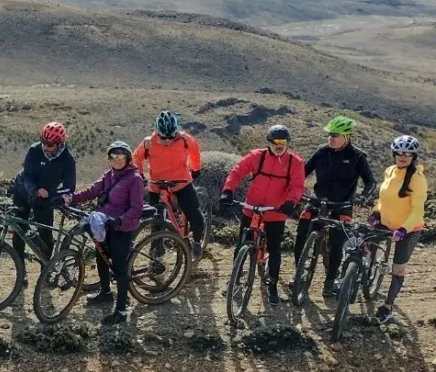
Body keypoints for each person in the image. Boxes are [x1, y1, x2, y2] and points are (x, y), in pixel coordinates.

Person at [220, 125, 305, 305]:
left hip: (276, 212)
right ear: (269, 142)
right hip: (252, 207)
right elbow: (237, 171)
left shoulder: (294, 162)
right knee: (241, 244)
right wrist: (228, 190)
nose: (279, 145)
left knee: (274, 249)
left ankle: (272, 286)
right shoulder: (257, 156)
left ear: (288, 143)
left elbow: (297, 187)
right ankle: (234, 281)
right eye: (275, 142)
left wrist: (290, 203)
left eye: (283, 142)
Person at [293, 115, 375, 297]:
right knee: (301, 234)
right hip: (317, 200)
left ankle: (329, 282)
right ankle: (298, 273)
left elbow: (370, 182)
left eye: (335, 135)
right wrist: (294, 189)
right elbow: (303, 173)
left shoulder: (357, 157)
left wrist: (363, 196)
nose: (331, 137)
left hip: (342, 205)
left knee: (337, 244)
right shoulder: (321, 151)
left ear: (347, 137)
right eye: (329, 134)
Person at [69, 140, 144, 325]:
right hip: (104, 223)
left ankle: (121, 310)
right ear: (109, 159)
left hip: (121, 227)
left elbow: (137, 209)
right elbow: (91, 191)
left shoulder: (135, 179)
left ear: (128, 158)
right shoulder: (108, 176)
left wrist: (120, 220)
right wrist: (70, 199)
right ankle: (105, 293)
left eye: (121, 156)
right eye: (113, 156)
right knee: (101, 257)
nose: (117, 159)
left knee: (119, 268)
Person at [132, 111, 206, 260]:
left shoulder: (184, 139)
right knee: (156, 222)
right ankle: (156, 257)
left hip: (181, 183)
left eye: (171, 136)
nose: (167, 140)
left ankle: (197, 242)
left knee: (195, 215)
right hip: (157, 186)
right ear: (156, 132)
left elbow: (194, 151)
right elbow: (136, 157)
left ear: (176, 132)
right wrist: (139, 175)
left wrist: (196, 169)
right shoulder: (148, 142)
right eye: (163, 136)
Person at [371, 135, 427, 325]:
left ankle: (388, 306)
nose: (403, 157)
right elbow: (384, 199)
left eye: (408, 154)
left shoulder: (417, 180)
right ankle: (361, 273)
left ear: (413, 157)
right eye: (400, 154)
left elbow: (417, 209)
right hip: (386, 222)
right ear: (394, 154)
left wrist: (404, 228)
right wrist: (376, 212)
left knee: (398, 267)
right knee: (362, 240)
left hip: (409, 228)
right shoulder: (389, 171)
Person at [12, 122, 76, 272]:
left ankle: (45, 271)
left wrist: (50, 194)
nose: (45, 147)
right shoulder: (34, 150)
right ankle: (20, 271)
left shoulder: (67, 160)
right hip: (23, 192)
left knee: (46, 235)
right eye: (43, 142)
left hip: (45, 200)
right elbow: (27, 175)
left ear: (59, 144)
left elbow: (69, 188)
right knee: (19, 231)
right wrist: (34, 190)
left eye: (49, 145)